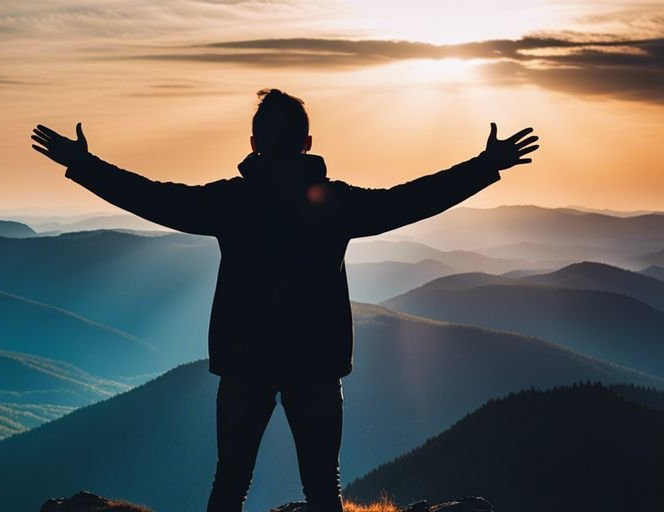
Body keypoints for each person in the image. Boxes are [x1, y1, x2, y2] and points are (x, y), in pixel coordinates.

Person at [31, 88, 539, 511]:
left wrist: (84, 165)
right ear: (307, 143)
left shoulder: (232, 201)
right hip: (316, 362)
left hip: (244, 361)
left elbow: (152, 197)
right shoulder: (334, 203)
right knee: (323, 489)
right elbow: (413, 200)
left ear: (254, 143)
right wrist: (485, 166)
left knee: (230, 484)